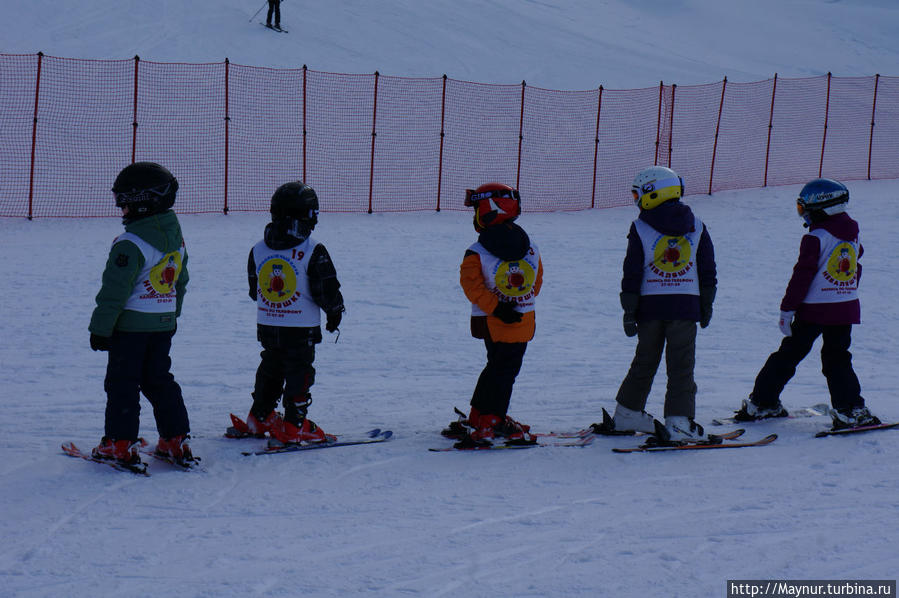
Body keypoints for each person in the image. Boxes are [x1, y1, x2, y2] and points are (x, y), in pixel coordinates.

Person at [733, 178, 879, 430]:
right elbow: (857, 258)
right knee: (838, 358)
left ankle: (763, 402)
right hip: (844, 306)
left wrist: (787, 308)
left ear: (823, 207)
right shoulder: (852, 232)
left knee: (789, 354)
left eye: (804, 208)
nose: (803, 214)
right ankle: (850, 409)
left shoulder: (816, 237)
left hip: (814, 308)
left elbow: (802, 275)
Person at [596, 166, 717, 441]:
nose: (636, 199)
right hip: (684, 308)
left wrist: (629, 310)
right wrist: (706, 304)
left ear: (653, 192)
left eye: (638, 194)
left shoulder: (640, 227)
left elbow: (633, 272)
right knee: (681, 366)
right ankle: (678, 421)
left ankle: (628, 411)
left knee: (644, 361)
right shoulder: (697, 226)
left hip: (650, 308)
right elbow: (707, 270)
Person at [89, 162, 193, 466]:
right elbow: (181, 282)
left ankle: (120, 443)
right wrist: (172, 316)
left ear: (141, 203)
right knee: (159, 379)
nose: (122, 212)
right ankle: (175, 439)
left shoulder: (129, 244)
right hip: (162, 325)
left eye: (124, 205)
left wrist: (101, 328)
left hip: (130, 329)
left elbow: (115, 291)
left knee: (123, 383)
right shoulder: (177, 242)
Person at [229, 181, 345, 444]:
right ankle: (295, 424)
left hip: (269, 324)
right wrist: (335, 311)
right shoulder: (313, 250)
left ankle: (260, 415)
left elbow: (254, 289)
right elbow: (325, 287)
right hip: (300, 327)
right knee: (299, 371)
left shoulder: (258, 249)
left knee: (271, 365)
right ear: (308, 216)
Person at [449, 182, 543, 447]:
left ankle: (482, 416)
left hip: (491, 321)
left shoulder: (476, 252)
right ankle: (491, 419)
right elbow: (536, 282)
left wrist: (495, 307)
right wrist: (517, 301)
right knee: (505, 371)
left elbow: (471, 285)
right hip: (522, 319)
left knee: (496, 368)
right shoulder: (532, 247)